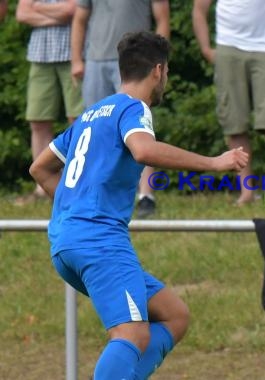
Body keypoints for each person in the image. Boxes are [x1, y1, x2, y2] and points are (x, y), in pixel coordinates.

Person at [29, 31, 249, 379]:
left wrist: (76, 205)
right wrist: (213, 163)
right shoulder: (135, 108)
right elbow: (144, 151)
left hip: (66, 242)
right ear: (158, 71)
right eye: (168, 73)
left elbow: (39, 168)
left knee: (174, 315)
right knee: (132, 333)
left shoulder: (91, 114)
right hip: (100, 241)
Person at [192, 0, 265, 205]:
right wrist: (205, 48)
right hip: (228, 47)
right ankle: (247, 191)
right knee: (234, 122)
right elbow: (199, 9)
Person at [71, 0, 171, 218]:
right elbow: (80, 18)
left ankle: (146, 195)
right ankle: (93, 194)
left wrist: (158, 60)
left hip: (135, 64)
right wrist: (76, 59)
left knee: (139, 127)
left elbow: (162, 17)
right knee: (95, 128)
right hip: (96, 59)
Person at [14, 0, 83, 205]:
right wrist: (58, 14)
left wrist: (38, 8)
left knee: (78, 121)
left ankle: (77, 182)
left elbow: (73, 9)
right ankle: (42, 186)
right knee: (38, 121)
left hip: (72, 55)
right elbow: (22, 14)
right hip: (39, 55)